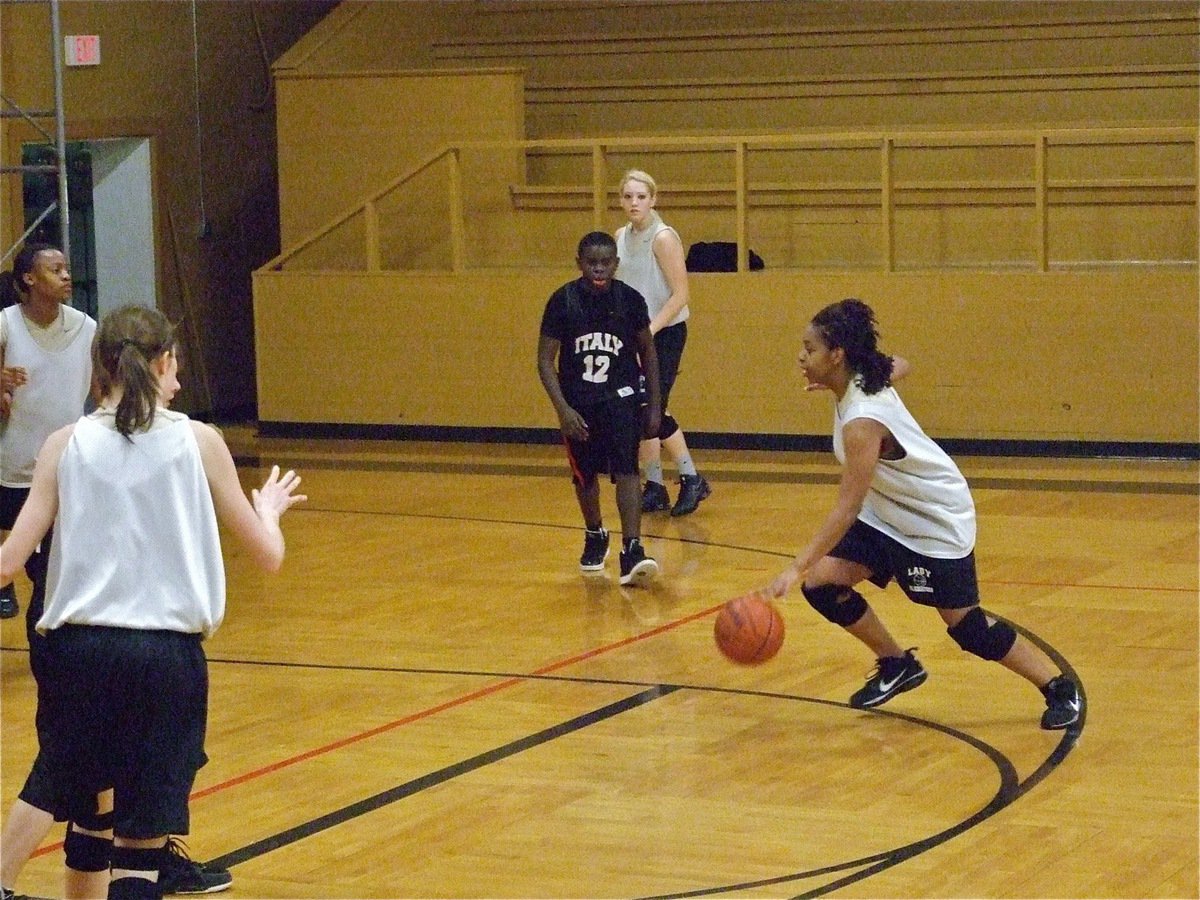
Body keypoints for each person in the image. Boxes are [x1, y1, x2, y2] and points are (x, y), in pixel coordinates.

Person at [0, 304, 305, 900]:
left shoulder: (64, 443)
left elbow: (10, 563)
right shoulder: (199, 441)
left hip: (76, 654)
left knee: (89, 808)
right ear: (163, 361)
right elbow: (267, 555)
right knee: (140, 847)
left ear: (99, 367)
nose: (180, 381)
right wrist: (268, 511)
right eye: (177, 367)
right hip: (163, 661)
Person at [764, 298, 1082, 730]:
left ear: (837, 355)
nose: (801, 357)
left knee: (968, 628)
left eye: (810, 349)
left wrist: (795, 566)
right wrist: (837, 383)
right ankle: (897, 664)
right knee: (823, 585)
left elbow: (847, 506)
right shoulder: (864, 378)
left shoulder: (862, 420)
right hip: (888, 513)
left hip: (932, 520)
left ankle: (1057, 687)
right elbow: (901, 363)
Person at [538, 231, 662, 587]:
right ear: (579, 263)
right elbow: (545, 361)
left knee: (627, 471)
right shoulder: (562, 301)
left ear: (615, 264)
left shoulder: (630, 300)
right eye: (591, 262)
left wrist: (654, 406)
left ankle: (632, 548)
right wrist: (562, 409)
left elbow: (648, 354)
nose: (598, 268)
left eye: (605, 262)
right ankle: (595, 533)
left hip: (621, 399)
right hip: (579, 404)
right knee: (585, 476)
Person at [615, 169, 710, 517]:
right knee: (641, 408)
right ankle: (654, 485)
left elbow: (681, 294)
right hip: (635, 334)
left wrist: (649, 331)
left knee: (654, 407)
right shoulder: (621, 237)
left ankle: (691, 477)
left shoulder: (664, 237)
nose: (634, 203)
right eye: (628, 197)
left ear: (653, 199)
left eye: (641, 197)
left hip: (664, 332)